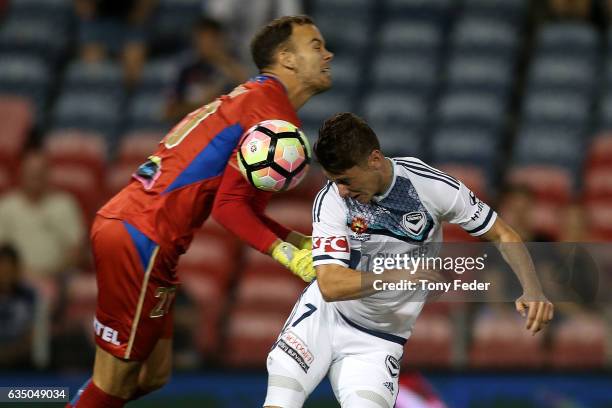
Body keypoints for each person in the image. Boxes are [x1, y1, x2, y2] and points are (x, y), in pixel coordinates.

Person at [67, 15, 333, 407]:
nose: (328, 54)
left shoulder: (259, 100)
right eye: (316, 46)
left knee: (153, 375)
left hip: (147, 234)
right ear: (286, 58)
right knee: (112, 383)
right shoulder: (271, 117)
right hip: (143, 234)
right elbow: (228, 209)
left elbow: (243, 205)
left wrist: (295, 239)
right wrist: (289, 256)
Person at [263, 113, 554, 408]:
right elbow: (330, 285)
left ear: (374, 159)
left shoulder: (431, 187)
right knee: (281, 402)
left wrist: (533, 289)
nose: (341, 190)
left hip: (380, 339)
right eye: (333, 181)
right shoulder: (332, 201)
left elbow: (503, 234)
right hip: (324, 318)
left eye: (346, 180)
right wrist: (399, 275)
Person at [0, 150, 85, 279]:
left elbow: (77, 250)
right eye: (31, 172)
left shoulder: (65, 204)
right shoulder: (6, 206)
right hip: (15, 281)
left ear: (48, 174)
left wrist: (52, 275)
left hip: (59, 278)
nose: (35, 176)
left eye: (40, 172)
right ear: (21, 173)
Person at [164, 17, 249, 122]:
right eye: (200, 38)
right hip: (192, 129)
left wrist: (225, 61)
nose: (204, 43)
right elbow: (168, 112)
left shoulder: (231, 67)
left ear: (220, 40)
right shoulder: (186, 70)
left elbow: (248, 92)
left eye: (210, 38)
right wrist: (204, 104)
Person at [0, 244, 38, 369]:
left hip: (20, 361)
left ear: (16, 269)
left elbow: (33, 333)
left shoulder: (28, 296)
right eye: (2, 268)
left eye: (9, 268)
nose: (5, 273)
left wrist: (11, 353)